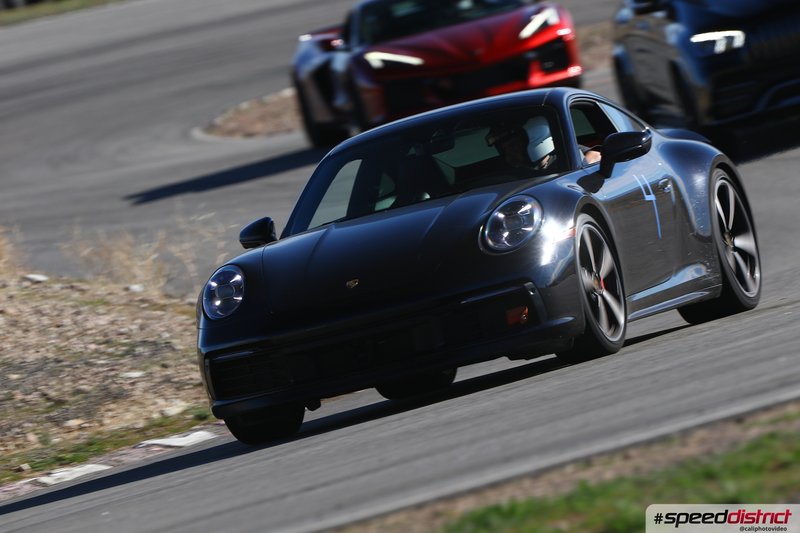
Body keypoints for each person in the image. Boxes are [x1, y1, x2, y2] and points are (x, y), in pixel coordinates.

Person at [486, 117, 601, 172]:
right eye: (504, 149)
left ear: (536, 138)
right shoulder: (508, 175)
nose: (508, 153)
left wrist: (583, 168)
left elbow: (596, 155)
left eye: (512, 146)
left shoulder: (566, 156)